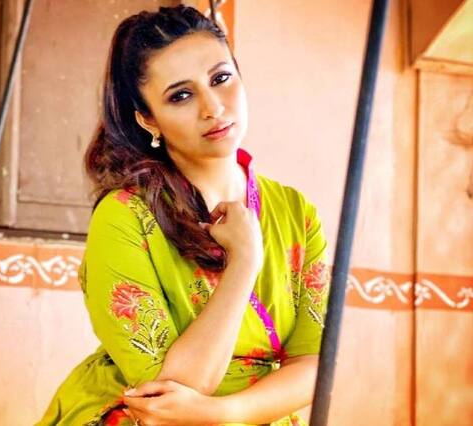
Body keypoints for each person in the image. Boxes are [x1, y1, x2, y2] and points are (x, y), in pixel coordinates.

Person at [36, 5, 330, 426]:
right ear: (148, 119)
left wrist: (228, 413)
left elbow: (315, 363)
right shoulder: (125, 216)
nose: (213, 107)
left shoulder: (295, 212)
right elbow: (168, 395)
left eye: (221, 78)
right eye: (181, 95)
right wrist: (244, 262)